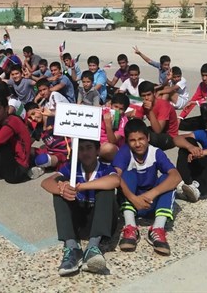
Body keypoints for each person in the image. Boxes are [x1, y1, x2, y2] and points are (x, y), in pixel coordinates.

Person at [41, 139, 120, 276]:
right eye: (81, 149)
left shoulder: (105, 168)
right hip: (80, 223)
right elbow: (46, 182)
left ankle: (93, 248)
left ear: (97, 150)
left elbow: (115, 180)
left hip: (101, 223)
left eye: (89, 148)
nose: (85, 152)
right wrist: (62, 190)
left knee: (106, 190)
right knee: (60, 190)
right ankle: (72, 248)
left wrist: (81, 187)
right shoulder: (72, 168)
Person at [112, 119, 181, 256]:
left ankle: (157, 228)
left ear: (148, 138)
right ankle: (130, 227)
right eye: (132, 140)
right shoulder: (124, 152)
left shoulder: (155, 152)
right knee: (126, 175)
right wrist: (134, 198)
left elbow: (176, 176)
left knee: (167, 179)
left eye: (141, 139)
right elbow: (114, 177)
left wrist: (151, 194)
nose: (138, 144)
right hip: (131, 202)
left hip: (151, 201)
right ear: (127, 142)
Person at [26, 103, 71, 178]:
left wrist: (52, 114)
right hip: (49, 152)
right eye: (30, 117)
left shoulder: (53, 116)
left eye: (33, 113)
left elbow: (69, 117)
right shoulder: (39, 127)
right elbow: (29, 142)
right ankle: (43, 166)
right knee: (27, 150)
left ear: (39, 108)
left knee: (42, 159)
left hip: (63, 154)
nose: (33, 118)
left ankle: (42, 167)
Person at [138, 81, 178, 151]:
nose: (146, 98)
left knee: (151, 138)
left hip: (170, 136)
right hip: (156, 130)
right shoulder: (144, 105)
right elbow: (137, 119)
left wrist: (150, 110)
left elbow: (158, 130)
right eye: (143, 96)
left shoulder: (163, 105)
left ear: (154, 93)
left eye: (148, 95)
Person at [99, 93, 130, 162]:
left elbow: (112, 141)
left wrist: (108, 124)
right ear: (111, 105)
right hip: (97, 143)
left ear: (125, 110)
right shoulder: (103, 111)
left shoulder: (124, 121)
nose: (117, 111)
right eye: (115, 107)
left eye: (121, 109)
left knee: (108, 148)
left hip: (112, 147)